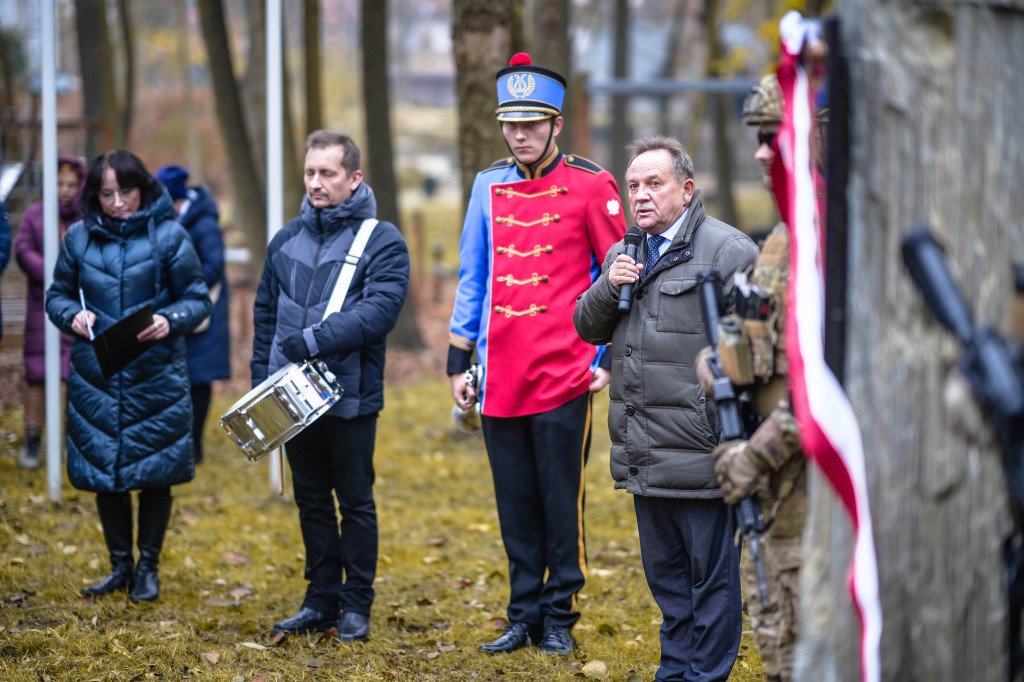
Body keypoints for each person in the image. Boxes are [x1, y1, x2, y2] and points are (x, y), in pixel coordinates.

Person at [448, 52, 627, 656]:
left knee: (559, 500)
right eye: (510, 124)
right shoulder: (486, 185)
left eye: (532, 123)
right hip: (499, 375)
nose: (519, 134)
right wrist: (458, 357)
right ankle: (522, 614)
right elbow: (475, 276)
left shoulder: (591, 183)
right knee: (515, 503)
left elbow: (617, 276)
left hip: (565, 373)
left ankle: (560, 613)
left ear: (554, 123)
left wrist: (605, 355)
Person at [573, 135, 758, 682]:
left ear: (687, 189)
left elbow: (755, 353)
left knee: (713, 582)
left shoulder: (728, 252)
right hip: (645, 451)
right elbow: (587, 326)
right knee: (668, 581)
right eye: (633, 185)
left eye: (654, 183)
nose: (641, 196)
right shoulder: (623, 252)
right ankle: (674, 670)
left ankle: (706, 675)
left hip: (706, 452)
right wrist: (609, 286)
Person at [252, 130, 409, 641]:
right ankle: (319, 599)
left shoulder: (381, 239)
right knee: (311, 499)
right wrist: (260, 385)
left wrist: (313, 340)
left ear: (354, 178)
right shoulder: (285, 239)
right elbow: (265, 314)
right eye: (310, 173)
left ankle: (356, 603)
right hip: (288, 397)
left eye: (328, 174)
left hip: (350, 396)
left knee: (355, 501)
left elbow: (379, 313)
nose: (316, 183)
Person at [45, 149, 211, 602]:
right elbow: (56, 295)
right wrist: (72, 317)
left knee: (154, 471)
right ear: (94, 195)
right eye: (107, 194)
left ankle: (148, 568)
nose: (117, 202)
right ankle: (120, 566)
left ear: (144, 188)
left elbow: (198, 299)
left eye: (126, 191)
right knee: (105, 470)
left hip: (154, 374)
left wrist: (171, 319)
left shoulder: (171, 236)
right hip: (97, 373)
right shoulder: (78, 237)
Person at [692, 73, 811, 682]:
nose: (762, 152)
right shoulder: (785, 241)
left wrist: (755, 457)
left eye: (776, 136)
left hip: (812, 493)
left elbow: (828, 387)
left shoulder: (832, 243)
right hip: (774, 490)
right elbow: (763, 348)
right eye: (757, 139)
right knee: (777, 642)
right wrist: (721, 366)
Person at [154, 165, 231, 465]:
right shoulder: (176, 219)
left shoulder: (204, 223)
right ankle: (181, 440)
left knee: (199, 379)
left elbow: (214, 265)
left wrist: (184, 288)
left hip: (202, 314)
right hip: (181, 309)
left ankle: (194, 444)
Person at [15, 156, 85, 469]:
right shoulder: (35, 214)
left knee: (74, 376)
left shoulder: (84, 219)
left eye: (72, 185)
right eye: (60, 183)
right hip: (39, 308)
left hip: (76, 309)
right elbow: (23, 249)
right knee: (37, 376)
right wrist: (55, 274)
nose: (65, 190)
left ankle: (69, 441)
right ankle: (32, 442)